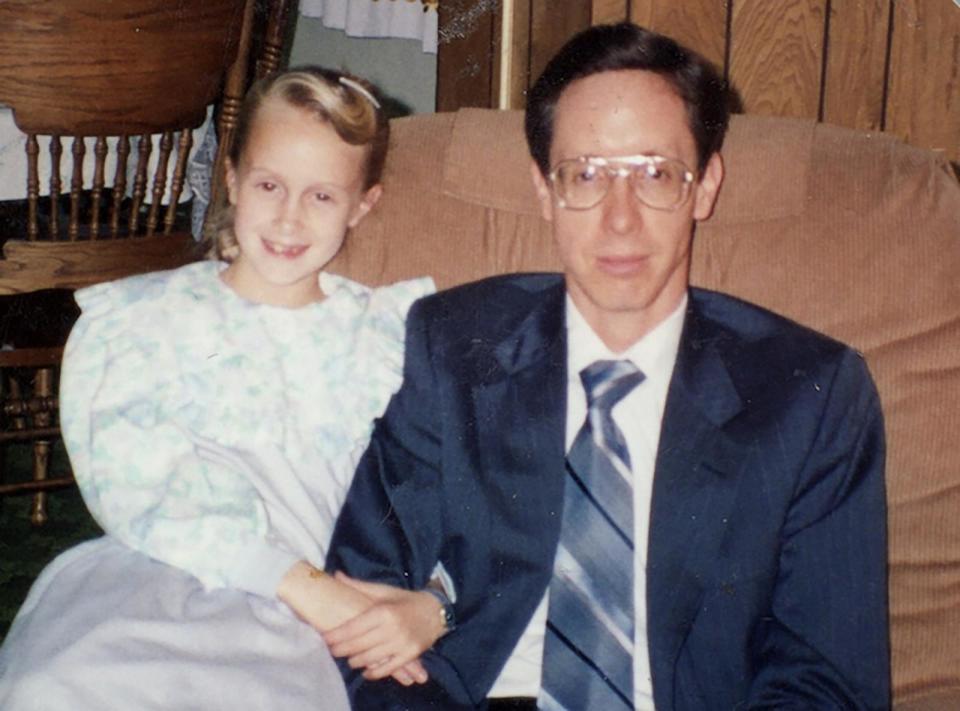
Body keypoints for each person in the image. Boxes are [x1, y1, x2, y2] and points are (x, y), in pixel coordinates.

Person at [326, 22, 891, 710]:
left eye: (656, 174)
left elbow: (827, 680)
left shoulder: (812, 395)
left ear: (705, 186)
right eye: (586, 175)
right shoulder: (454, 348)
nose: (620, 220)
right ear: (543, 190)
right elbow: (360, 596)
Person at [0, 67, 446, 709]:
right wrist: (302, 586)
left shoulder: (386, 335)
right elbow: (138, 482)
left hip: (301, 618)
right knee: (65, 687)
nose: (290, 218)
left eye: (322, 196)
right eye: (270, 185)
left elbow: (439, 484)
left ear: (362, 204)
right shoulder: (144, 319)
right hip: (153, 572)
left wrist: (429, 598)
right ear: (231, 178)